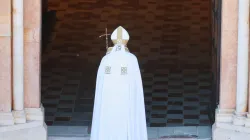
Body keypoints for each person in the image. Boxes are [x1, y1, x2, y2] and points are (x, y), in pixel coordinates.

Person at [90, 26, 148, 140]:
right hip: (126, 102)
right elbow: (136, 86)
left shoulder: (106, 59)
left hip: (108, 103)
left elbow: (100, 85)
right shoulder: (131, 59)